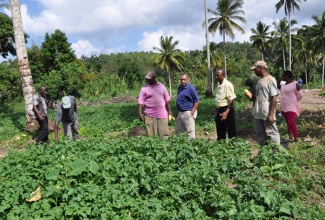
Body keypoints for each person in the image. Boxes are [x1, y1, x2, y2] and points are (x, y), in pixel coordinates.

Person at [249, 61, 280, 146]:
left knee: (272, 133)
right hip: (258, 112)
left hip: (266, 111)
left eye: (255, 70)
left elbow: (273, 97)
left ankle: (276, 152)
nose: (254, 72)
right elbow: (260, 96)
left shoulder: (270, 80)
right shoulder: (259, 81)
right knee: (260, 134)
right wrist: (252, 97)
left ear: (261, 68)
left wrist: (271, 114)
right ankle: (264, 152)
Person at [138, 71, 173, 138]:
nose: (148, 80)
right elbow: (140, 102)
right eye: (147, 79)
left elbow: (167, 99)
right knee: (151, 135)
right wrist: (140, 113)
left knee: (164, 134)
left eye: (149, 79)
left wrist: (170, 111)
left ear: (154, 78)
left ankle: (164, 147)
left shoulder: (161, 86)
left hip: (162, 114)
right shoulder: (144, 88)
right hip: (149, 114)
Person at [211, 69, 237, 140]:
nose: (216, 77)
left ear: (223, 76)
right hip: (220, 109)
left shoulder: (228, 85)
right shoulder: (219, 83)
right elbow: (220, 98)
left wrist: (226, 112)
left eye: (218, 75)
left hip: (227, 109)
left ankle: (233, 145)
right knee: (220, 128)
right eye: (215, 75)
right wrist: (215, 108)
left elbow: (231, 100)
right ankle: (221, 144)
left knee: (230, 129)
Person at [280, 71, 303, 142]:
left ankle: (296, 138)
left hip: (292, 106)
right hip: (284, 107)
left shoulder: (295, 84)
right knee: (288, 122)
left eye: (283, 75)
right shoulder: (284, 86)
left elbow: (300, 95)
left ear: (287, 76)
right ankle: (290, 137)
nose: (282, 77)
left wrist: (295, 100)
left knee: (291, 122)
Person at [175, 73, 200, 139]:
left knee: (190, 131)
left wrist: (192, 112)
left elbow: (197, 101)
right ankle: (179, 145)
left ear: (188, 79)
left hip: (188, 111)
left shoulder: (191, 88)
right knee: (178, 131)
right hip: (180, 111)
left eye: (184, 79)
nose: (183, 81)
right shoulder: (180, 87)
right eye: (181, 80)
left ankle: (191, 145)